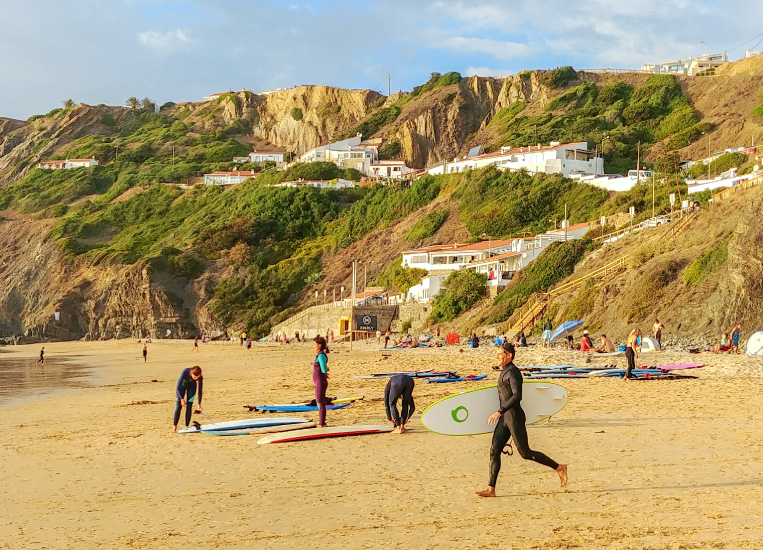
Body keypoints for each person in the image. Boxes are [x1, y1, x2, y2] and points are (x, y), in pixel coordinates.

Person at [476, 342, 567, 498]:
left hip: (514, 417)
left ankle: (559, 467)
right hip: (505, 417)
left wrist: (500, 411)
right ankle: (491, 489)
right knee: (494, 450)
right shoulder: (504, 371)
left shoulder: (513, 372)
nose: (497, 356)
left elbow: (517, 396)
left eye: (500, 353)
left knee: (525, 453)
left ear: (509, 356)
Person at [173, 366, 203, 432]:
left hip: (191, 388)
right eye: (194, 377)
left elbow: (200, 390)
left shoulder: (199, 377)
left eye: (197, 378)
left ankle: (186, 426)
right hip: (181, 387)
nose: (195, 379)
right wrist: (182, 399)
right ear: (191, 373)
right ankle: (174, 427)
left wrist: (199, 404)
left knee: (189, 407)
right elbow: (177, 387)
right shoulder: (185, 372)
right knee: (178, 407)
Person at [312, 336, 330, 427]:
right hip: (318, 382)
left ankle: (322, 423)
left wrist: (327, 370)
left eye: (315, 344)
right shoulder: (320, 355)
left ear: (319, 345)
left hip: (320, 382)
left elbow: (323, 369)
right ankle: (321, 422)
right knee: (319, 402)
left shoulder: (321, 355)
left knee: (320, 402)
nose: (313, 346)